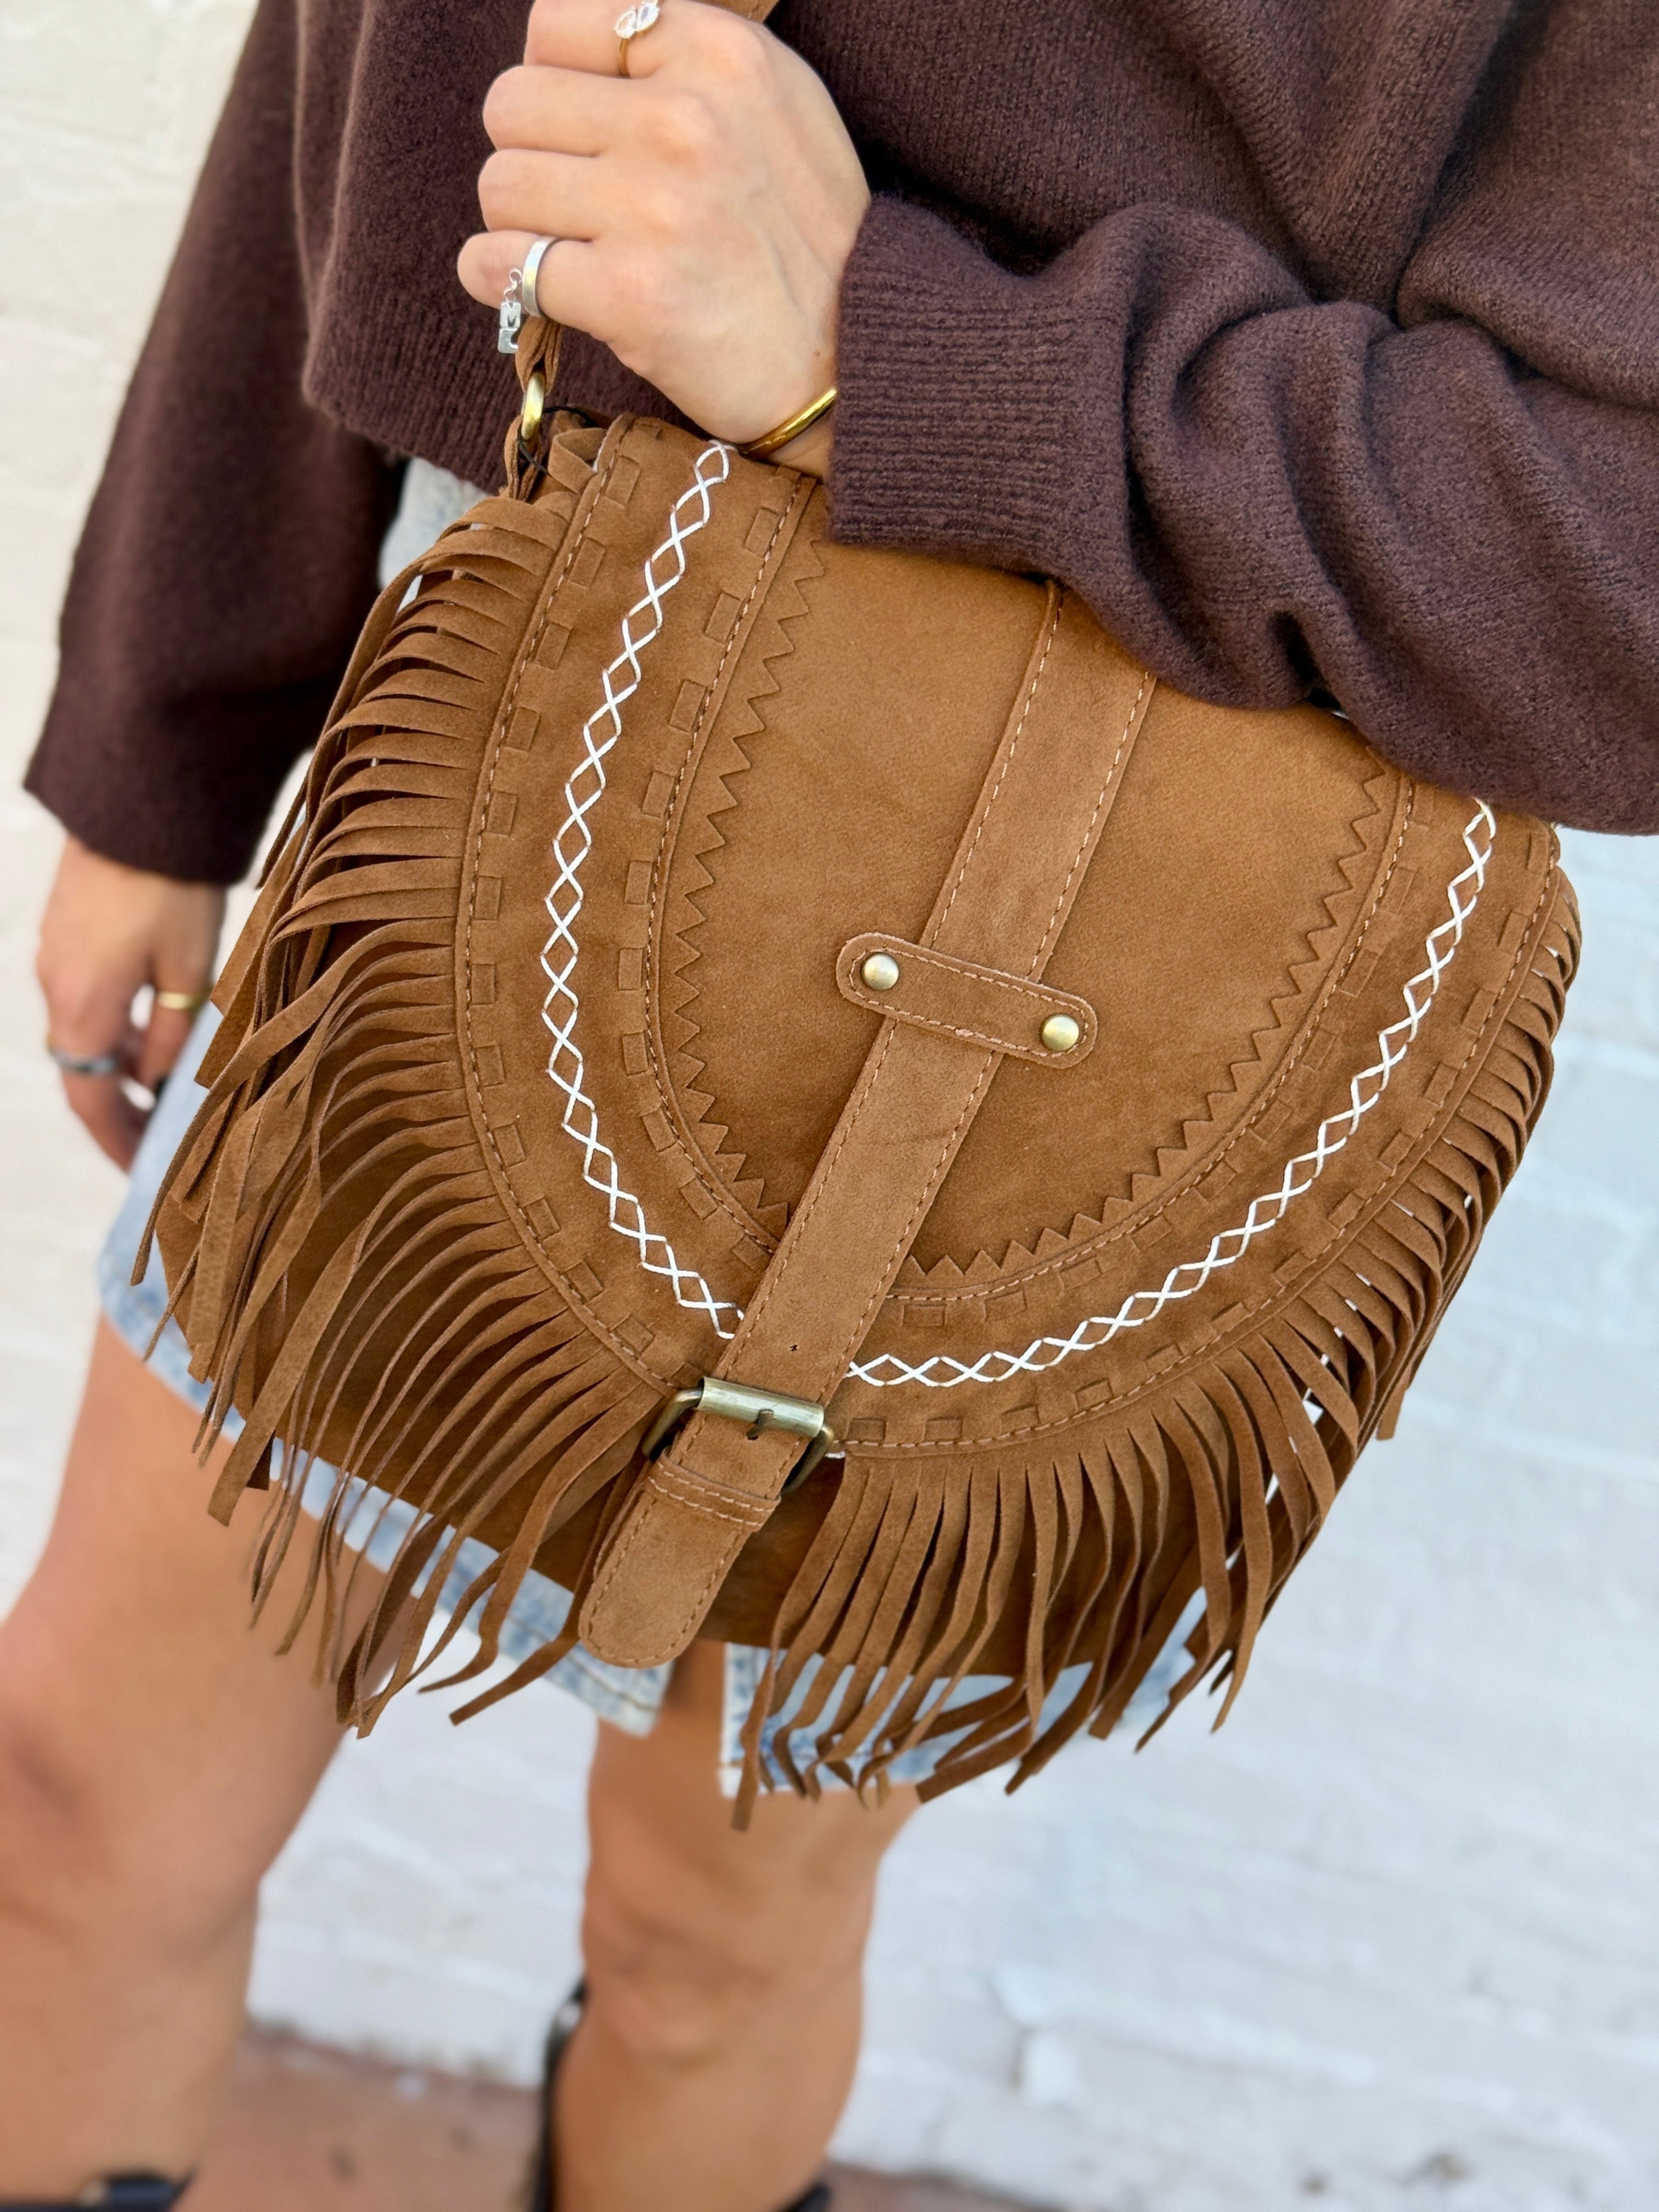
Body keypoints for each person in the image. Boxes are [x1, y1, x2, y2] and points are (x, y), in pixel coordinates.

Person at [5, 0, 1656, 2204]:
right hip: (526, 730)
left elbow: (1622, 563)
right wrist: (172, 713)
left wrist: (897, 346)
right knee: (81, 1805)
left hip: (1124, 888)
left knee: (715, 1933)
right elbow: (404, 58)